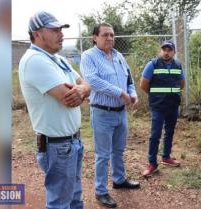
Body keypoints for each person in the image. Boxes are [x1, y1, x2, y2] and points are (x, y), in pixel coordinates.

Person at [18, 11, 91, 209]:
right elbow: (68, 99)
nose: (61, 34)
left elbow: (85, 84)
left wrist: (83, 89)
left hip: (71, 142)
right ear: (38, 34)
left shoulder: (58, 59)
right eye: (55, 30)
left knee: (75, 198)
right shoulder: (35, 60)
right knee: (60, 203)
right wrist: (82, 91)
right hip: (57, 147)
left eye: (61, 29)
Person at [80, 23, 140, 208]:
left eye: (112, 35)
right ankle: (101, 191)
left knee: (119, 150)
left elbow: (128, 79)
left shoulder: (119, 56)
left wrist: (133, 93)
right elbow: (93, 81)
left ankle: (119, 180)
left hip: (120, 113)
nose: (110, 38)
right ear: (94, 38)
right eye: (105, 35)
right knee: (103, 154)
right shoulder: (88, 56)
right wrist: (120, 93)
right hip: (102, 112)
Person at [140, 40, 185, 177]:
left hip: (173, 104)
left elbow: (181, 84)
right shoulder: (152, 64)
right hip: (158, 105)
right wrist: (155, 95)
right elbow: (143, 84)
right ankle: (152, 163)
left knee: (170, 131)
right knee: (155, 134)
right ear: (161, 51)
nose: (166, 52)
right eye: (164, 49)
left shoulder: (178, 65)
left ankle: (166, 157)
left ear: (174, 52)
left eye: (169, 50)